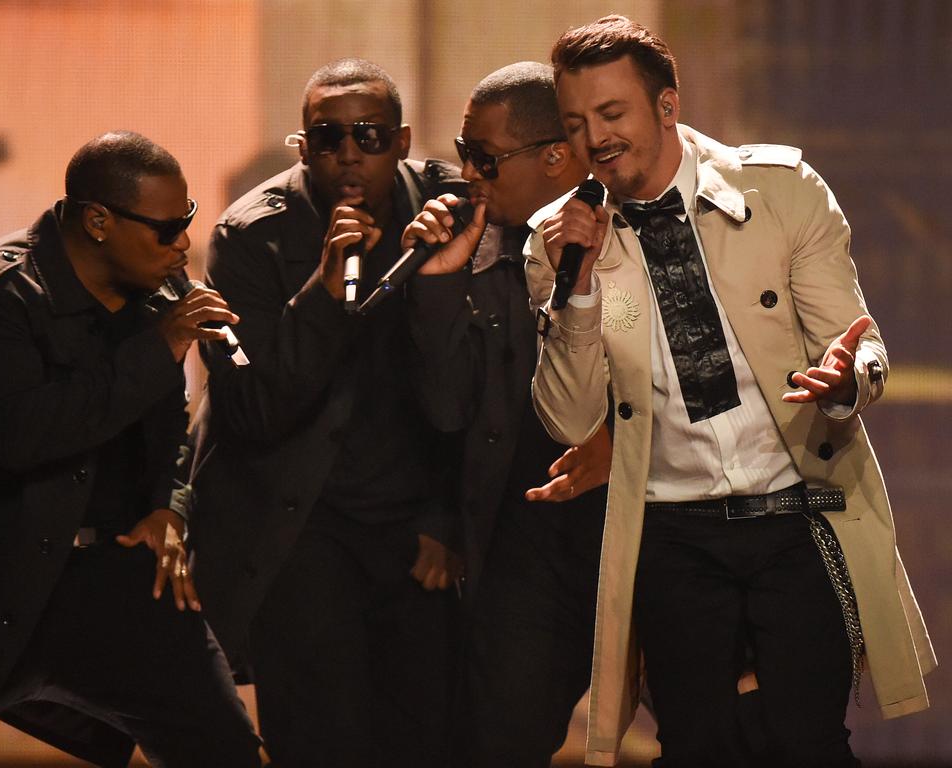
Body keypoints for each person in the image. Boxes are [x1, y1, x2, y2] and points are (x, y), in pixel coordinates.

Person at [525, 14, 936, 768]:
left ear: (666, 104)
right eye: (579, 123)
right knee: (698, 745)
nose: (596, 138)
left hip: (798, 515)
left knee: (807, 741)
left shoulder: (782, 192)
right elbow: (568, 416)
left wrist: (847, 381)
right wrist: (576, 295)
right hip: (673, 533)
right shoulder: (561, 239)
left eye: (612, 114)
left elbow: (860, 340)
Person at [0, 131, 262, 768]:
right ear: (100, 221)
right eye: (165, 230)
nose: (183, 245)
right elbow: (22, 436)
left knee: (225, 750)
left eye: (186, 223)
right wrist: (157, 350)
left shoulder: (158, 299)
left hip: (114, 584)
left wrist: (170, 508)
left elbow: (172, 436)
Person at [188, 59, 466, 768]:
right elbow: (252, 409)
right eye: (327, 137)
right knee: (319, 738)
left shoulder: (453, 212)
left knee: (426, 736)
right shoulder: (252, 234)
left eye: (369, 136)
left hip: (417, 529)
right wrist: (322, 289)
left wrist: (447, 515)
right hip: (300, 525)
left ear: (402, 140)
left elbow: (483, 383)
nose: (349, 155)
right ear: (302, 145)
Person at [400, 62, 610, 767]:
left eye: (483, 157)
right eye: (462, 153)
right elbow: (446, 406)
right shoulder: (479, 246)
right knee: (502, 738)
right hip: (524, 540)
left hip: (646, 531)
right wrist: (435, 283)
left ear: (556, 157)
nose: (466, 174)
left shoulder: (632, 232)